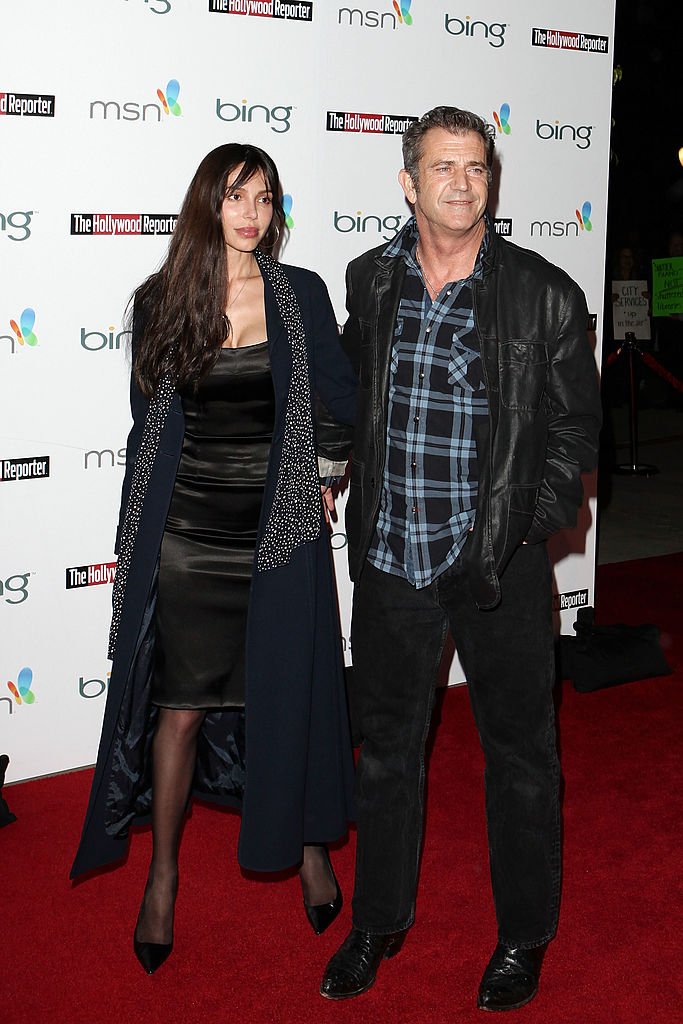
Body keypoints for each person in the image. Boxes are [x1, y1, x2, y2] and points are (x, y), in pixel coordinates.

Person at [320, 107, 602, 1011]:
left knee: (520, 757)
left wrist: (521, 531)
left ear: (491, 180)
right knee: (387, 756)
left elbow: (571, 435)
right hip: (393, 558)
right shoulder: (368, 281)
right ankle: (379, 920)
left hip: (497, 568)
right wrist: (325, 466)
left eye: (475, 168)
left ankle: (521, 937)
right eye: (441, 167)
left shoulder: (544, 293)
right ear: (408, 183)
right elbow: (350, 400)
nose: (459, 183)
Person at [71, 143, 358, 975]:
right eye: (236, 195)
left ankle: (307, 848)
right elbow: (148, 423)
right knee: (183, 711)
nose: (250, 212)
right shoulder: (162, 300)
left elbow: (338, 400)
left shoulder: (297, 294)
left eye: (264, 198)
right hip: (190, 537)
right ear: (207, 203)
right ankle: (161, 877)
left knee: (290, 695)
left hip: (280, 530)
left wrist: (327, 474)